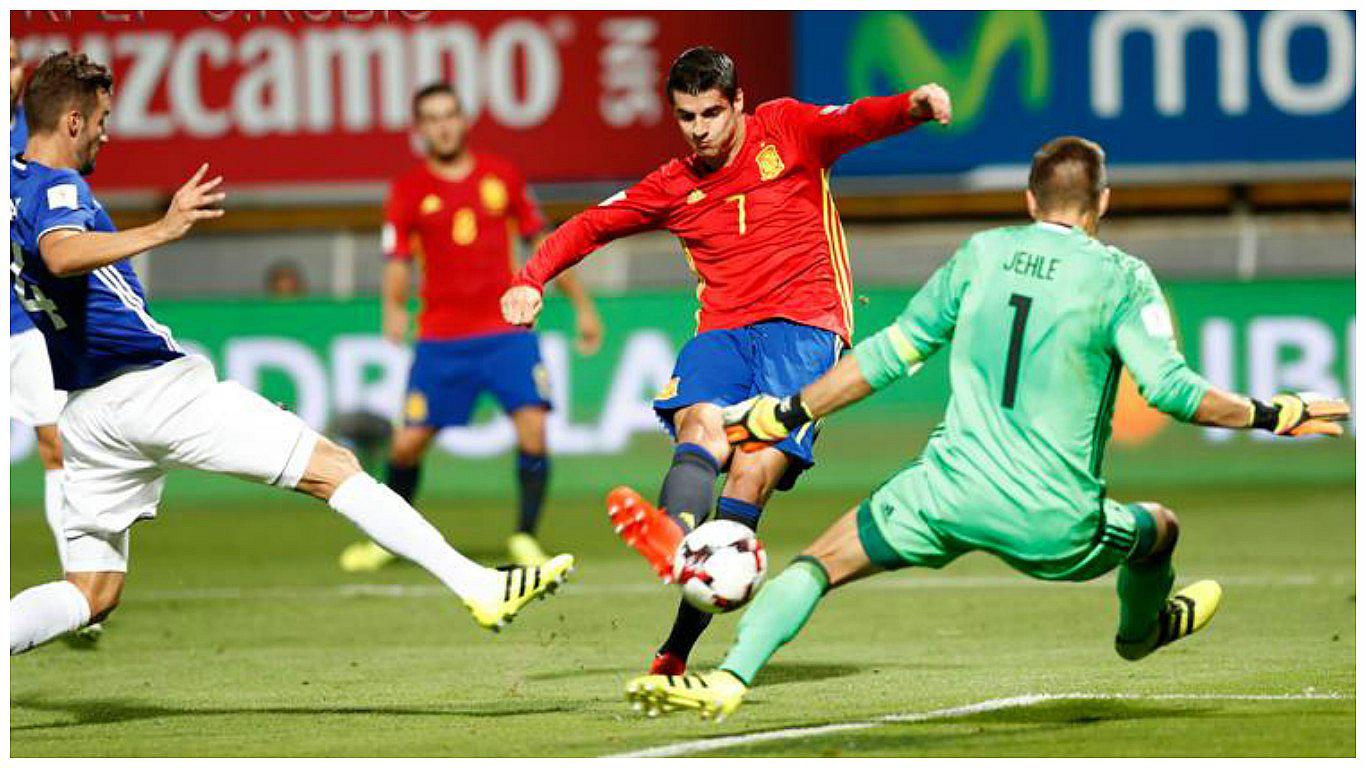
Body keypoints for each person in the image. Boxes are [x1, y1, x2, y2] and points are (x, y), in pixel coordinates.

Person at [621, 136, 1352, 719]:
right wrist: (1273, 412)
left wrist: (792, 409)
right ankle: (1140, 633)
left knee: (816, 564)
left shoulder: (982, 253)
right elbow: (1170, 391)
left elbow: (889, 354)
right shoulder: (1122, 277)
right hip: (1053, 517)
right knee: (1160, 527)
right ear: (1102, 202)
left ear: (1029, 198)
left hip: (944, 490)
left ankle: (727, 679)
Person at [8, 52, 574, 656]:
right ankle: (479, 584)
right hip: (151, 392)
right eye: (100, 118)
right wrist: (164, 229)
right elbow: (63, 253)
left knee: (92, 591)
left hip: (88, 417)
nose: (106, 131)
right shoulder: (59, 185)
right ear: (71, 122)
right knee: (335, 467)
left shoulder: (12, 187)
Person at [501, 46, 951, 674]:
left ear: (738, 102)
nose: (700, 129)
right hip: (723, 334)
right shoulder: (674, 184)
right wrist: (532, 277)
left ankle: (675, 649)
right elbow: (592, 226)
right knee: (699, 429)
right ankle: (674, 537)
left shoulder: (788, 129)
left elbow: (855, 121)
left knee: (751, 474)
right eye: (686, 117)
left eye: (711, 113)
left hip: (805, 330)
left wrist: (912, 106)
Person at [340, 81, 603, 572]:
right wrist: (393, 309)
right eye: (432, 118)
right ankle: (388, 539)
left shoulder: (501, 176)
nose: (443, 125)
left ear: (464, 119)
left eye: (449, 114)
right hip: (441, 339)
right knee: (408, 442)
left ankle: (524, 536)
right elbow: (397, 261)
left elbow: (543, 245)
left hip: (506, 332)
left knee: (534, 428)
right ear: (420, 130)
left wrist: (583, 307)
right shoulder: (408, 191)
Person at [9, 38, 100, 642]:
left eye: (14, 57)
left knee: (55, 444)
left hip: (20, 320)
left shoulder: (30, 139)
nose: (11, 68)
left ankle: (76, 585)